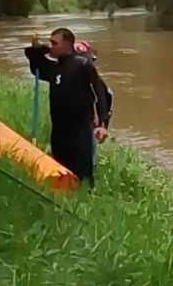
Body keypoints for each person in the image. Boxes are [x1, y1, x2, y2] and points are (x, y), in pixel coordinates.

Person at [24, 28, 110, 187]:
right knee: (60, 172)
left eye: (55, 43)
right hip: (59, 131)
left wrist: (102, 124)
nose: (51, 46)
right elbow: (34, 60)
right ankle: (63, 200)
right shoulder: (53, 68)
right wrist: (40, 48)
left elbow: (101, 94)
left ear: (67, 45)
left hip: (80, 131)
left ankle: (85, 202)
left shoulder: (82, 65)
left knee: (82, 175)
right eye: (50, 43)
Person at [74, 39, 112, 164]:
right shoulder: (95, 80)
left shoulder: (95, 82)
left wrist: (102, 124)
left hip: (87, 124)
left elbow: (104, 99)